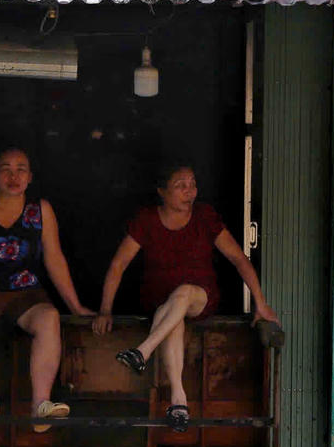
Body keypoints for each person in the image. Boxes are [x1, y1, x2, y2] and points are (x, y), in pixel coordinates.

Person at [91, 163, 280, 432]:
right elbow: (118, 265)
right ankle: (179, 400)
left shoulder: (204, 217)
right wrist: (105, 310)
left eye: (192, 184)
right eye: (180, 185)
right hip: (158, 299)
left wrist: (261, 304)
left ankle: (143, 351)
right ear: (162, 192)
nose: (189, 191)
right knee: (173, 318)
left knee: (183, 293)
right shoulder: (147, 220)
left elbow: (239, 259)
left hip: (200, 295)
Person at [0, 147, 94, 432]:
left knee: (49, 317)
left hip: (26, 294)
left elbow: (54, 259)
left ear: (30, 177)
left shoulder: (41, 210)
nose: (14, 176)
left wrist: (75, 306)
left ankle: (41, 404)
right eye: (6, 168)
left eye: (21, 169)